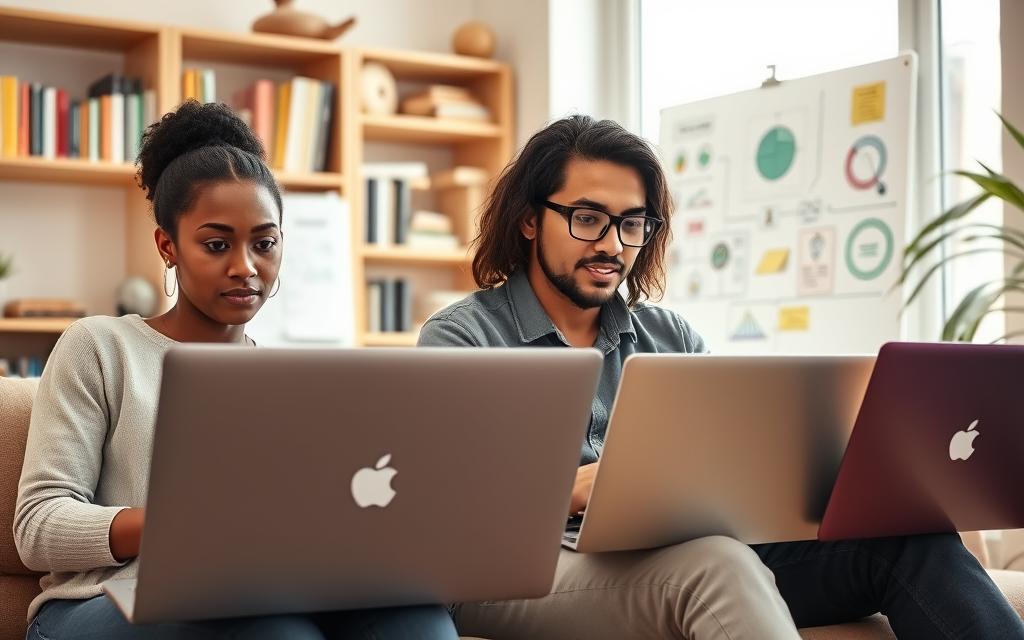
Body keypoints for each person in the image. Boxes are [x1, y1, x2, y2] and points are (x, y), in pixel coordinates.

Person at [418, 114, 1024, 640]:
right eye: (587, 218)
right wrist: (575, 487)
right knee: (717, 563)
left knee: (907, 536)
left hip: (681, 549)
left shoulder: (670, 337)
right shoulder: (462, 338)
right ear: (529, 221)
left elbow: (721, 474)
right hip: (521, 572)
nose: (612, 245)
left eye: (633, 224)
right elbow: (443, 513)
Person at [15, 100, 459, 640]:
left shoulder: (286, 382)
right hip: (101, 603)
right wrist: (185, 527)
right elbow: (39, 526)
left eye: (264, 243)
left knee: (417, 613)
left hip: (262, 590)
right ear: (168, 246)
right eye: (217, 244)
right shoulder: (100, 347)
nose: (246, 267)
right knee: (272, 628)